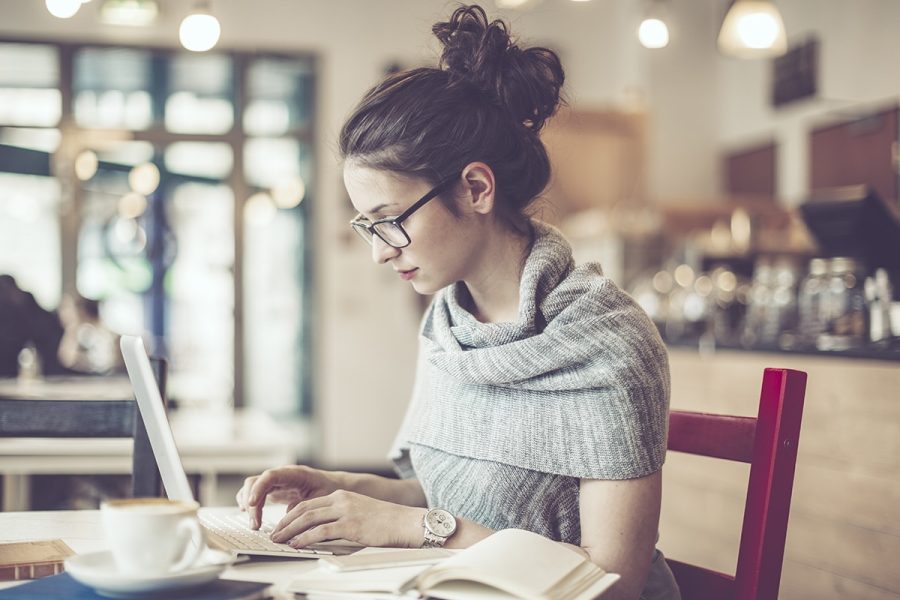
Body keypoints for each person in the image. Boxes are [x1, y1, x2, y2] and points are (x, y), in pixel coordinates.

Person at [236, 6, 679, 599]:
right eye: (367, 227)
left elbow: (614, 579)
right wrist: (339, 490)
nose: (379, 252)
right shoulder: (448, 324)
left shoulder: (609, 345)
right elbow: (452, 501)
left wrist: (418, 527)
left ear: (475, 188)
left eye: (389, 221)